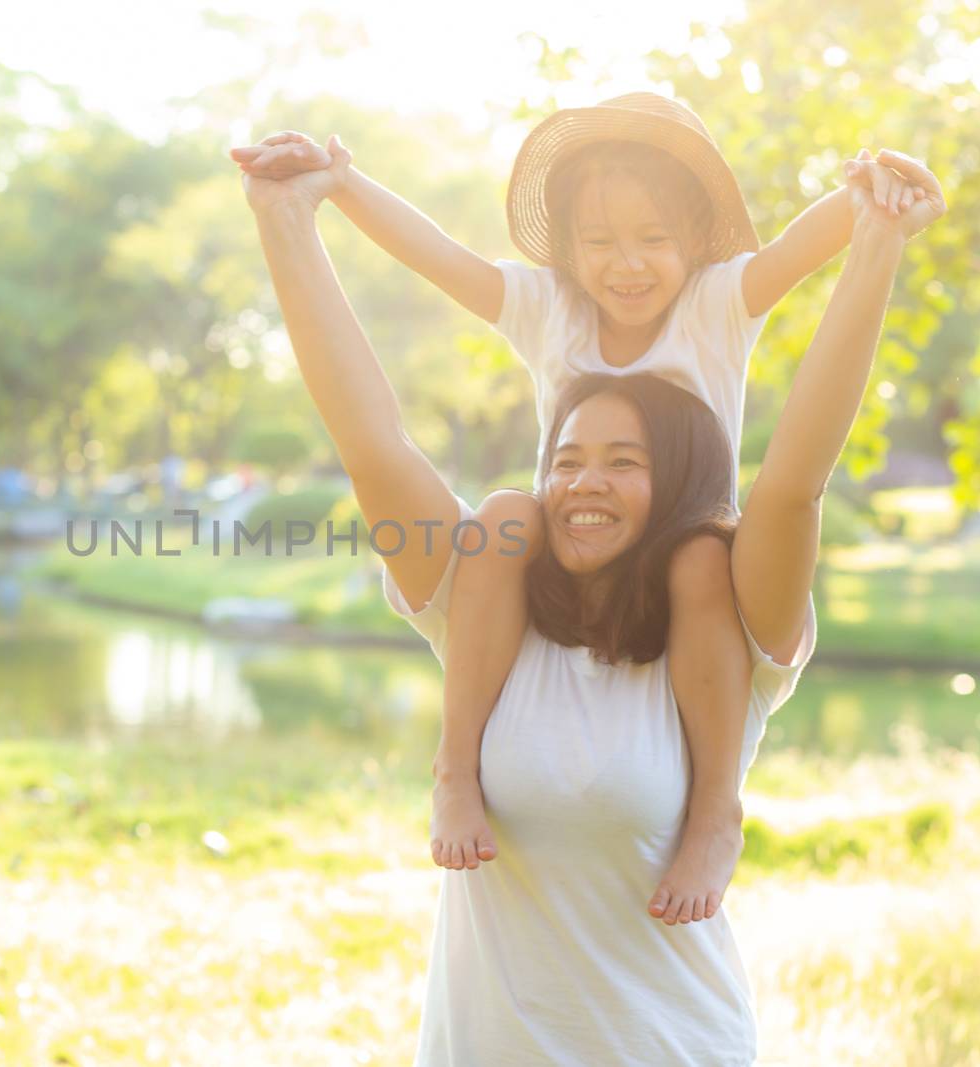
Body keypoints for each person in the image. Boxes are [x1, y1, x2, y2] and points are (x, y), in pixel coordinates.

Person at [237, 118, 944, 1062]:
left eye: (623, 461)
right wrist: (304, 207)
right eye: (567, 459)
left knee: (698, 558)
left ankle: (715, 812)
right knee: (500, 513)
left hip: (675, 1042)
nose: (584, 482)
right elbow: (374, 439)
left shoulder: (724, 631)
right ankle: (450, 772)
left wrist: (877, 226)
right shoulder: (492, 621)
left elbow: (793, 481)